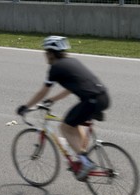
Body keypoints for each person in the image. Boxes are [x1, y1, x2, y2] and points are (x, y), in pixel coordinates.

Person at [17, 36, 110, 181]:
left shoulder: (55, 68)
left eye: (46, 52)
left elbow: (43, 91)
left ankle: (85, 162)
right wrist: (51, 100)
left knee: (64, 127)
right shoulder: (72, 62)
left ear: (52, 54)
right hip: (103, 97)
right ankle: (82, 156)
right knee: (75, 123)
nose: (45, 55)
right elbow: (70, 89)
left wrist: (25, 107)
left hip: (90, 101)